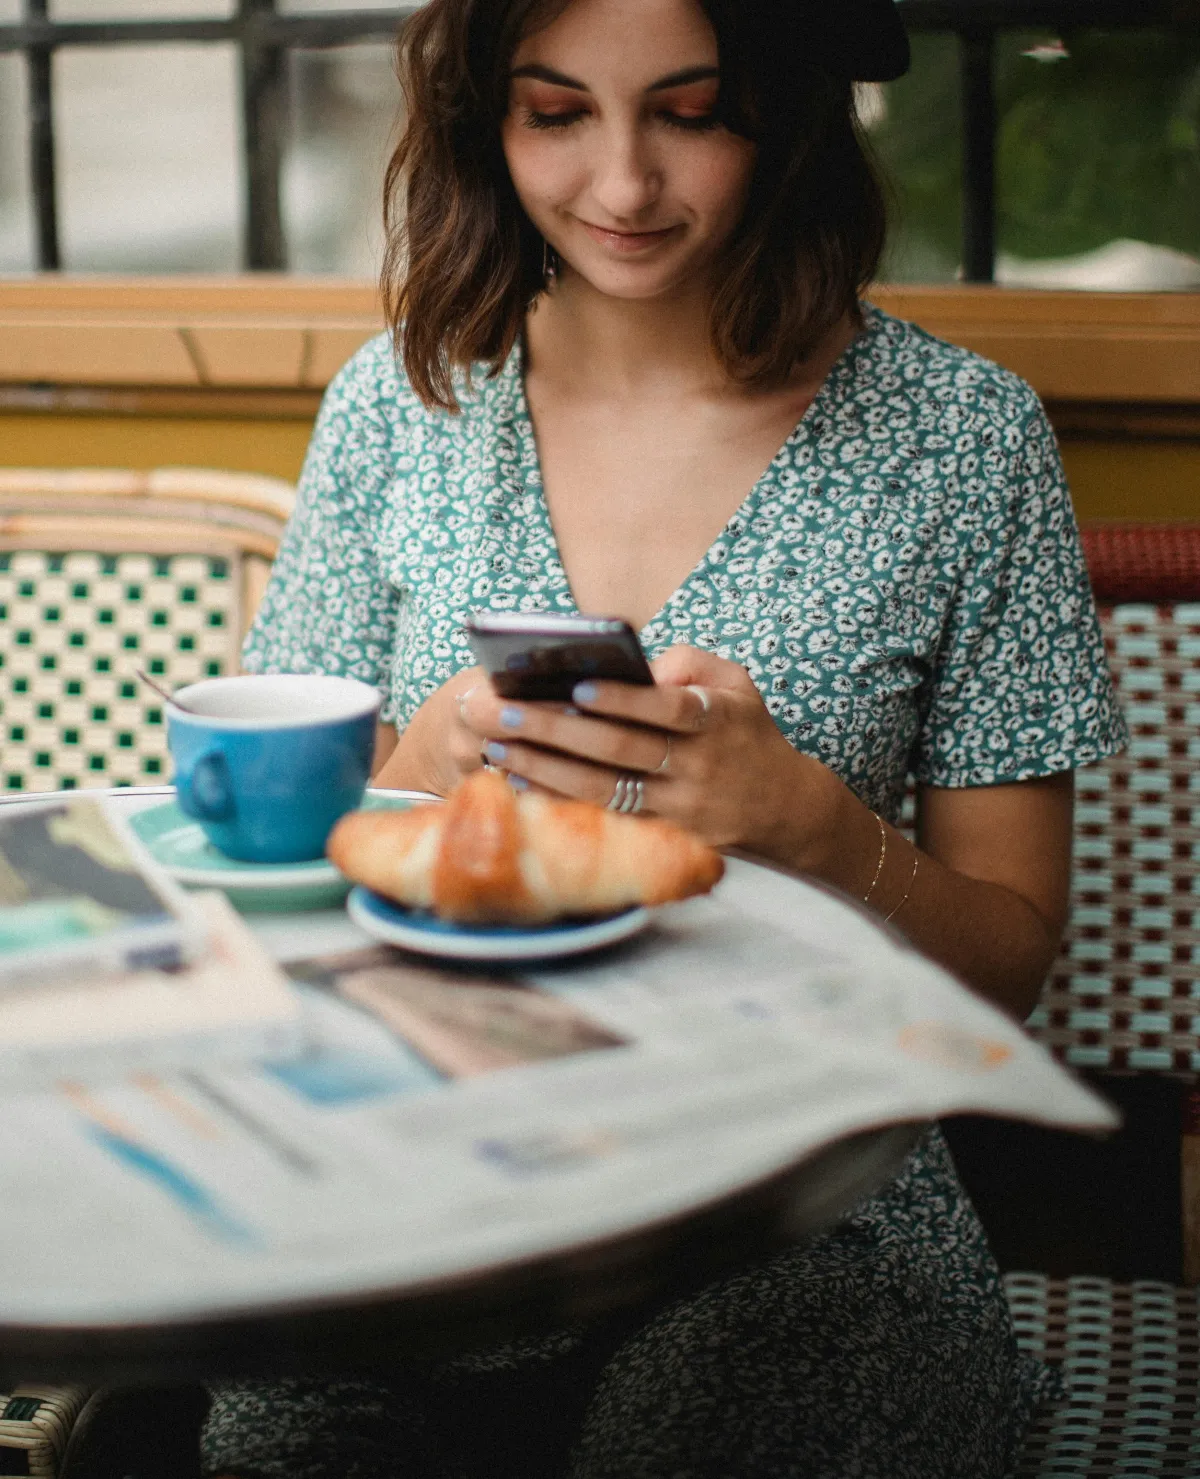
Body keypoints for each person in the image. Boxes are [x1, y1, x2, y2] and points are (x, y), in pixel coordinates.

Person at [204, 0, 1127, 1474]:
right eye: (557, 112)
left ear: (789, 113)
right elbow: (270, 872)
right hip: (430, 1191)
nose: (623, 185)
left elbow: (1007, 964)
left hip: (803, 1212)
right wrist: (427, 758)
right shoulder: (398, 404)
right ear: (481, 123)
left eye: (690, 112)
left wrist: (805, 823)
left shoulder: (964, 438)